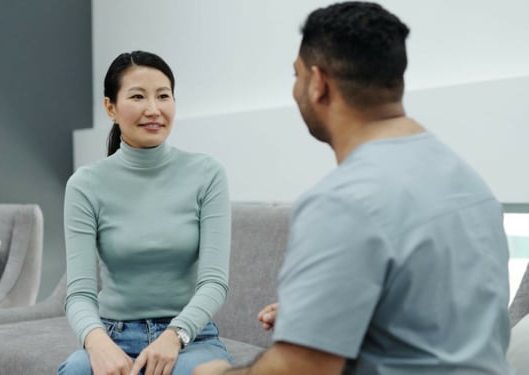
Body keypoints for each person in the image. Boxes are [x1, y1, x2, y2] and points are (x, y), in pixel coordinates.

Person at [194, 2, 510, 374]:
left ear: (318, 83)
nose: (295, 89)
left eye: (296, 76)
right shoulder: (469, 182)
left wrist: (215, 372)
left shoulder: (343, 202)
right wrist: (319, 318)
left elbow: (300, 370)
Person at [58, 50, 233, 375]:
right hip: (113, 336)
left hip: (189, 338)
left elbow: (214, 282)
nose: (153, 109)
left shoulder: (207, 174)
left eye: (163, 96)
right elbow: (80, 293)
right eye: (138, 96)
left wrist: (174, 336)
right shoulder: (85, 184)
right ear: (110, 107)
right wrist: (97, 345)